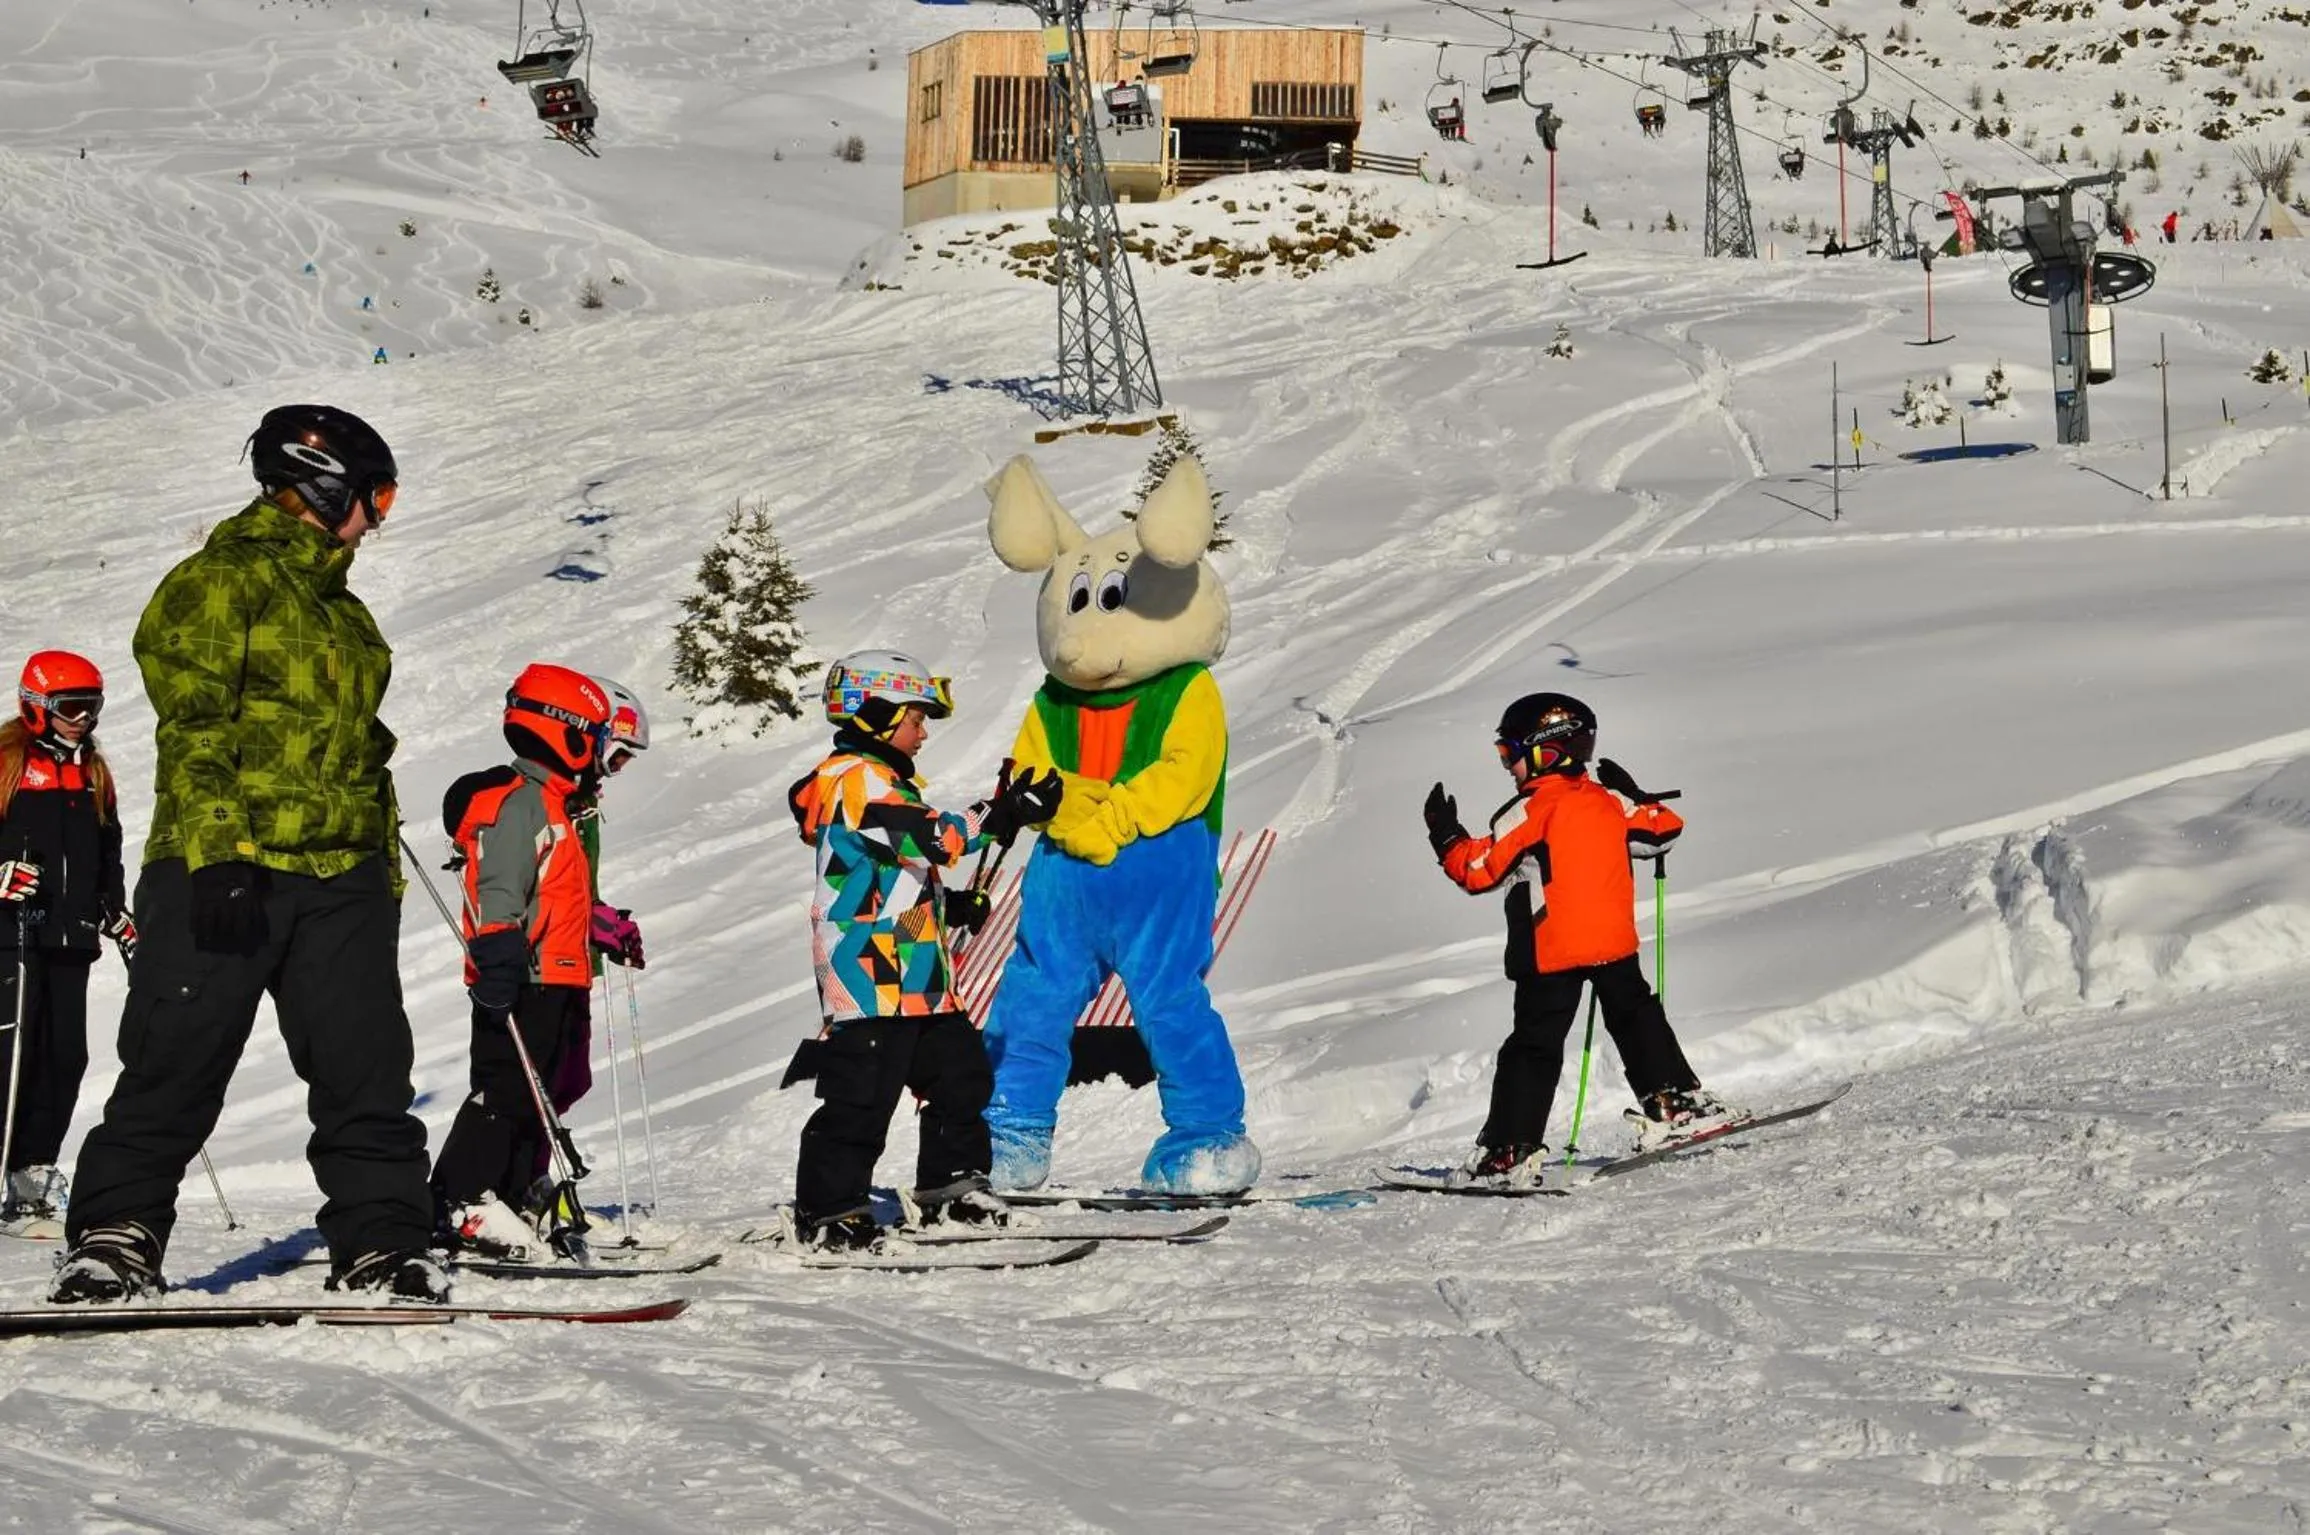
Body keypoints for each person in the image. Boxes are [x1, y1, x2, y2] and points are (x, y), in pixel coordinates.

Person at [53, 404, 444, 1304]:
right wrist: (221, 852)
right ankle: (116, 1237)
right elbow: (194, 724)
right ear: (323, 482)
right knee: (175, 1060)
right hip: (223, 863)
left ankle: (383, 1241)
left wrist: (377, 869)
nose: (378, 517)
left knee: (366, 1068)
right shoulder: (218, 580)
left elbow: (350, 745)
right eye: (374, 494)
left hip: (339, 874)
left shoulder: (343, 614)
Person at [783, 650, 1060, 1251]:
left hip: (917, 969)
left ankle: (950, 1188)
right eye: (915, 717)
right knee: (863, 1094)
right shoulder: (853, 780)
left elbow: (889, 874)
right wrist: (1001, 811)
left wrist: (949, 907)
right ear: (876, 715)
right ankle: (830, 1209)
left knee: (961, 1078)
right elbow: (933, 836)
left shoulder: (881, 782)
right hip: (867, 969)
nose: (923, 731)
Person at [1420, 692, 1736, 1188]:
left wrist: (1445, 837)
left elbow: (1478, 871)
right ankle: (1676, 1102)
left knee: (1534, 1046)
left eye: (1509, 754)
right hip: (1612, 945)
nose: (1507, 767)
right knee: (1636, 1016)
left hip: (1550, 953)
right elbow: (1662, 832)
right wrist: (1637, 795)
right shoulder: (1610, 801)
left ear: (1545, 751)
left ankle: (1509, 1152)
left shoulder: (1529, 811)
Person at [430, 665, 615, 1259]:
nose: (602, 751)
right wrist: (499, 952)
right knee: (505, 1091)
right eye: (598, 737)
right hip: (523, 976)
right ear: (569, 733)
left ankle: (508, 1195)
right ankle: (462, 1199)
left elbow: (558, 896)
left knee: (539, 1095)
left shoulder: (555, 804)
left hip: (557, 973)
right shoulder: (520, 804)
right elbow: (503, 887)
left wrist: (599, 931)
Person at [0, 652, 133, 1233]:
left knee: (63, 1058)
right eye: (69, 706)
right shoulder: (6, 765)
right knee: (11, 1057)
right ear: (36, 707)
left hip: (69, 937)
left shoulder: (92, 773)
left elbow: (107, 851)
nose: (82, 718)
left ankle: (28, 1183)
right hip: (10, 936)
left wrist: (113, 906)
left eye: (91, 706)